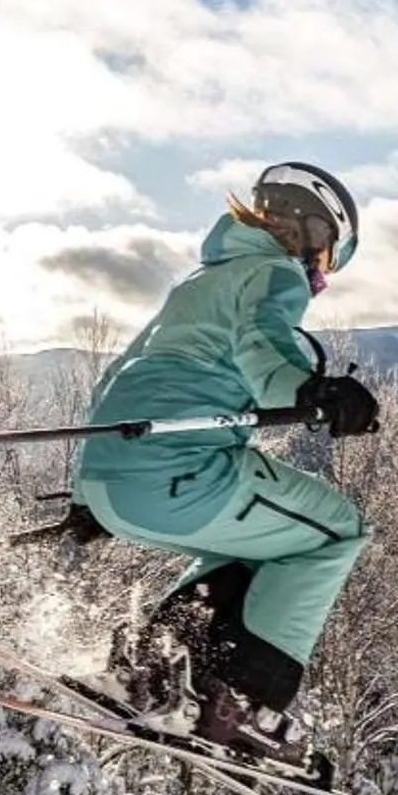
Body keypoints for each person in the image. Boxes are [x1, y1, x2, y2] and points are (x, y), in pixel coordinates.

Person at [72, 161, 380, 755]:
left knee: (247, 540)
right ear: (313, 233)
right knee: (337, 531)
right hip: (179, 478)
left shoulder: (194, 284)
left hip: (111, 484)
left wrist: (88, 499)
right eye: (328, 257)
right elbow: (261, 343)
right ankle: (238, 699)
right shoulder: (274, 272)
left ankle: (159, 663)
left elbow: (115, 377)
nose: (321, 276)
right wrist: (310, 393)